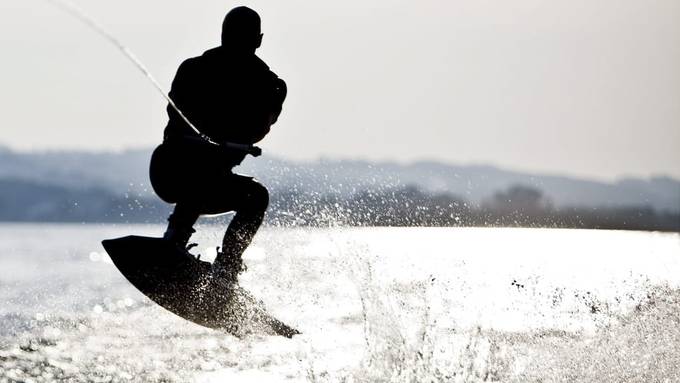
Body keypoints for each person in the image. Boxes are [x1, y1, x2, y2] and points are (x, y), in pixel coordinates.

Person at [149, 6, 286, 285]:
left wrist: (232, 141)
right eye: (233, 37)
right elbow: (176, 117)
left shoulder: (270, 86)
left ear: (257, 42)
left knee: (256, 197)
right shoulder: (194, 69)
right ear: (223, 36)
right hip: (171, 171)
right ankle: (174, 239)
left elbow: (258, 131)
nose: (236, 46)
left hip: (214, 183)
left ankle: (226, 270)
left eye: (242, 39)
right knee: (202, 168)